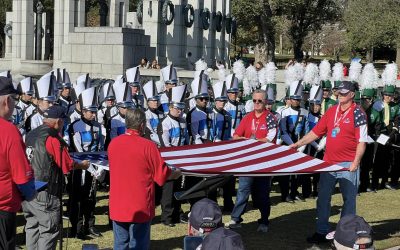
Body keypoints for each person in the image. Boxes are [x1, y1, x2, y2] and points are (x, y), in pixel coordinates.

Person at [290, 81, 368, 244]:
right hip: (329, 163)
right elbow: (315, 132)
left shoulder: (358, 113)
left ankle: (344, 234)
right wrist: (298, 144)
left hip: (348, 164)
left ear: (352, 95)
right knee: (323, 198)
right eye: (339, 92)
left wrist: (356, 162)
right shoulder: (332, 111)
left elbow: (362, 141)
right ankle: (321, 231)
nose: (340, 95)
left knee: (349, 200)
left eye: (344, 93)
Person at [108, 109, 181, 249]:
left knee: (120, 244)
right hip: (139, 203)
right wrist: (175, 173)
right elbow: (161, 175)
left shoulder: (113, 144)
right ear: (142, 125)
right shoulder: (148, 146)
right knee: (139, 245)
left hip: (118, 203)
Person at [23, 105, 90, 249]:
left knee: (32, 227)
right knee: (49, 231)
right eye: (63, 122)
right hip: (46, 191)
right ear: (58, 122)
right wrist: (82, 165)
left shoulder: (31, 134)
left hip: (28, 187)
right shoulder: (53, 138)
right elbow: (66, 165)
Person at [225, 89, 277, 233]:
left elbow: (270, 139)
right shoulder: (247, 117)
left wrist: (250, 141)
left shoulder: (270, 118)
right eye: (254, 100)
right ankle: (236, 219)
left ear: (265, 102)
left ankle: (264, 221)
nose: (257, 103)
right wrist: (247, 140)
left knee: (262, 193)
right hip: (247, 161)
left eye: (260, 100)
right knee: (242, 190)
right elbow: (236, 135)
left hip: (263, 162)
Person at [0, 76, 35, 250]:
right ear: (7, 101)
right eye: (14, 99)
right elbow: (22, 174)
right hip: (3, 206)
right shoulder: (8, 130)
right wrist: (30, 194)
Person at [68, 87, 105, 239]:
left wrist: (101, 167)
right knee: (76, 199)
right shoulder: (75, 126)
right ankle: (76, 229)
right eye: (91, 111)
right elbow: (77, 151)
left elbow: (101, 147)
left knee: (91, 198)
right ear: (83, 111)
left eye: (95, 111)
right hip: (79, 168)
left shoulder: (98, 126)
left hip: (95, 168)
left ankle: (90, 225)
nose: (94, 114)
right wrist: (90, 167)